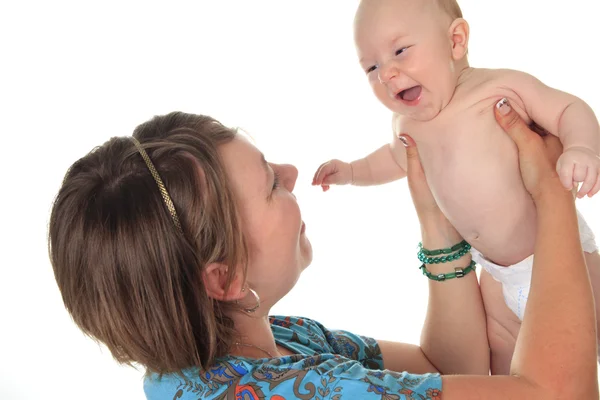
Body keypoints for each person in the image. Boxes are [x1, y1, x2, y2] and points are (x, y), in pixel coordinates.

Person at [48, 100, 597, 398]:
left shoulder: (258, 344)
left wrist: (435, 214)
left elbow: (443, 368)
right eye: (269, 184)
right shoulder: (306, 393)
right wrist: (547, 193)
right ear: (223, 280)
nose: (290, 171)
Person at [312, 0, 600, 373]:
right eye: (372, 67)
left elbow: (567, 109)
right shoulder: (406, 126)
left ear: (456, 41)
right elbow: (392, 159)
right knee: (500, 356)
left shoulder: (497, 88)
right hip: (496, 275)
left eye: (400, 51)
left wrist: (581, 148)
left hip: (558, 253)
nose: (386, 73)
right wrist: (352, 171)